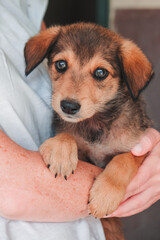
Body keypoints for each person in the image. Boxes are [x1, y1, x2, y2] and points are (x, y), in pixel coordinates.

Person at [0, 1, 160, 240]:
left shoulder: (22, 7)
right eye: (61, 65)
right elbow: (14, 190)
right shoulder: (66, 126)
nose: (71, 95)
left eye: (100, 73)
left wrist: (126, 168)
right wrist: (62, 141)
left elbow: (141, 157)